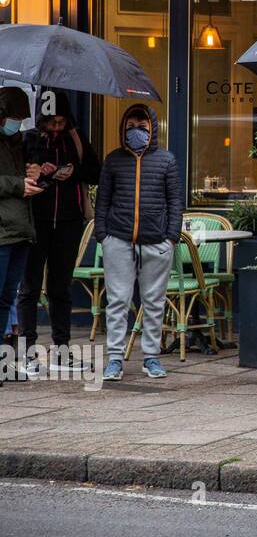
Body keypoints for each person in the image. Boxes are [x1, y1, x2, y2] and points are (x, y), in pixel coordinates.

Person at [94, 104, 181, 381]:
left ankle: (151, 357)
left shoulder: (166, 160)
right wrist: (103, 235)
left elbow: (175, 201)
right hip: (118, 239)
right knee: (117, 301)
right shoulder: (113, 160)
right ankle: (115, 359)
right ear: (122, 128)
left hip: (156, 242)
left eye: (142, 127)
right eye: (131, 127)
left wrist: (170, 237)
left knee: (154, 302)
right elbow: (103, 199)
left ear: (152, 130)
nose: (136, 132)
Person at [17, 90, 100, 374]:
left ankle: (61, 351)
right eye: (51, 122)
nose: (56, 127)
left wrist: (72, 171)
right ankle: (26, 353)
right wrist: (37, 171)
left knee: (60, 287)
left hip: (68, 220)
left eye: (61, 122)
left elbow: (95, 170)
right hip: (35, 219)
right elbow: (17, 174)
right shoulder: (27, 139)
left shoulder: (75, 140)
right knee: (29, 287)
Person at [0, 87, 40, 385]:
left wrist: (34, 171)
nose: (18, 123)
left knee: (6, 299)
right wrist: (17, 184)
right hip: (3, 229)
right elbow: (10, 183)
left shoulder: (17, 143)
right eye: (14, 117)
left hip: (20, 229)